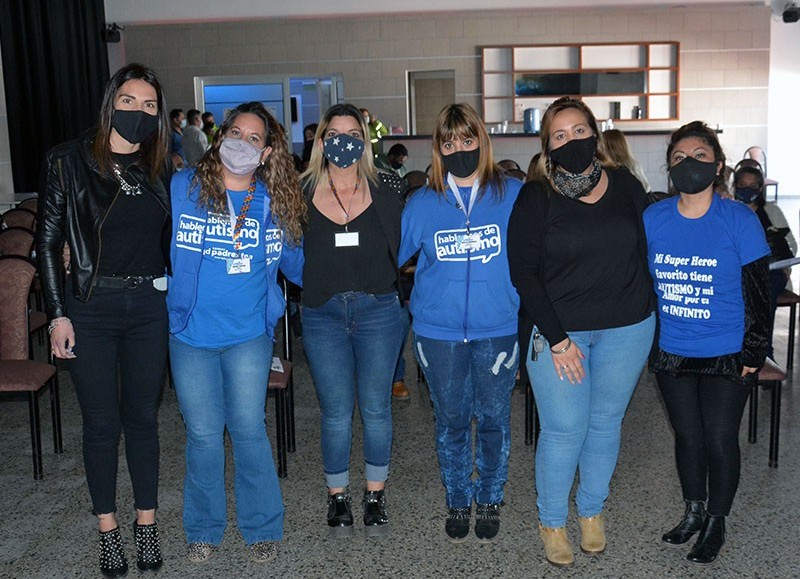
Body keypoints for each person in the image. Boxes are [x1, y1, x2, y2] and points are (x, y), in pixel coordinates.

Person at [507, 97, 655, 567]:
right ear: (547, 146)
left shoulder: (627, 186)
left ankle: (591, 511)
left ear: (596, 134)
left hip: (627, 327)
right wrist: (558, 339)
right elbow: (523, 273)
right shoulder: (535, 195)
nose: (572, 140)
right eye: (559, 135)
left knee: (606, 423)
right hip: (558, 332)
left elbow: (649, 251)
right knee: (565, 429)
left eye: (579, 131)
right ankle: (551, 521)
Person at [37, 63, 172, 578]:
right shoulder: (67, 162)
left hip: (148, 309)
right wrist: (57, 316)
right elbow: (48, 244)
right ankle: (108, 531)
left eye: (150, 106)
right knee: (100, 425)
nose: (139, 112)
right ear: (110, 102)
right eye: (130, 101)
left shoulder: (160, 166)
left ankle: (146, 524)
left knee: (142, 421)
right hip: (89, 309)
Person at [167, 101, 305, 564]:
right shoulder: (184, 187)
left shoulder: (275, 202)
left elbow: (301, 267)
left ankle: (262, 525)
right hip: (190, 334)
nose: (242, 144)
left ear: (266, 153)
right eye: (236, 133)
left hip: (249, 334)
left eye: (254, 139)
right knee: (203, 434)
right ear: (220, 136)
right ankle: (203, 527)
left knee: (248, 430)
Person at [644, 121, 770, 566]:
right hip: (674, 351)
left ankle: (717, 521)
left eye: (699, 156)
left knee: (719, 439)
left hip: (728, 353)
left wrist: (754, 352)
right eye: (679, 158)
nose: (688, 164)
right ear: (668, 168)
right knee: (688, 438)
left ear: (717, 166)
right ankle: (693, 511)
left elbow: (759, 290)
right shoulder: (653, 218)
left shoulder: (739, 218)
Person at [399, 103, 523, 543]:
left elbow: (537, 256)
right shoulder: (422, 203)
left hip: (498, 328)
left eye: (467, 140)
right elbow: (390, 258)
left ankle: (489, 497)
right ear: (438, 148)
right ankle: (457, 497)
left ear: (483, 142)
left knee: (493, 419)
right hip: (438, 334)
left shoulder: (512, 194)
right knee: (451, 421)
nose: (459, 149)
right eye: (449, 142)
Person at [300, 103, 404, 538]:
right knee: (337, 412)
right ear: (321, 141)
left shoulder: (386, 188)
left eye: (353, 133)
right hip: (322, 314)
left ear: (363, 140)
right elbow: (286, 253)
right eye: (335, 133)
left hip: (378, 310)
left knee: (377, 409)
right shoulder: (300, 190)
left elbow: (405, 246)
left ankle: (375, 494)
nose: (344, 140)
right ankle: (337, 496)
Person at [733, 163, 796, 358]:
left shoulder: (772, 211)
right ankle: (738, 351)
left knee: (764, 295)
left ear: (760, 189)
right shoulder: (730, 210)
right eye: (743, 185)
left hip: (773, 271)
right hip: (739, 272)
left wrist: (786, 262)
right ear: (735, 187)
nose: (748, 190)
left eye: (753, 186)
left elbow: (791, 244)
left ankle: (763, 353)